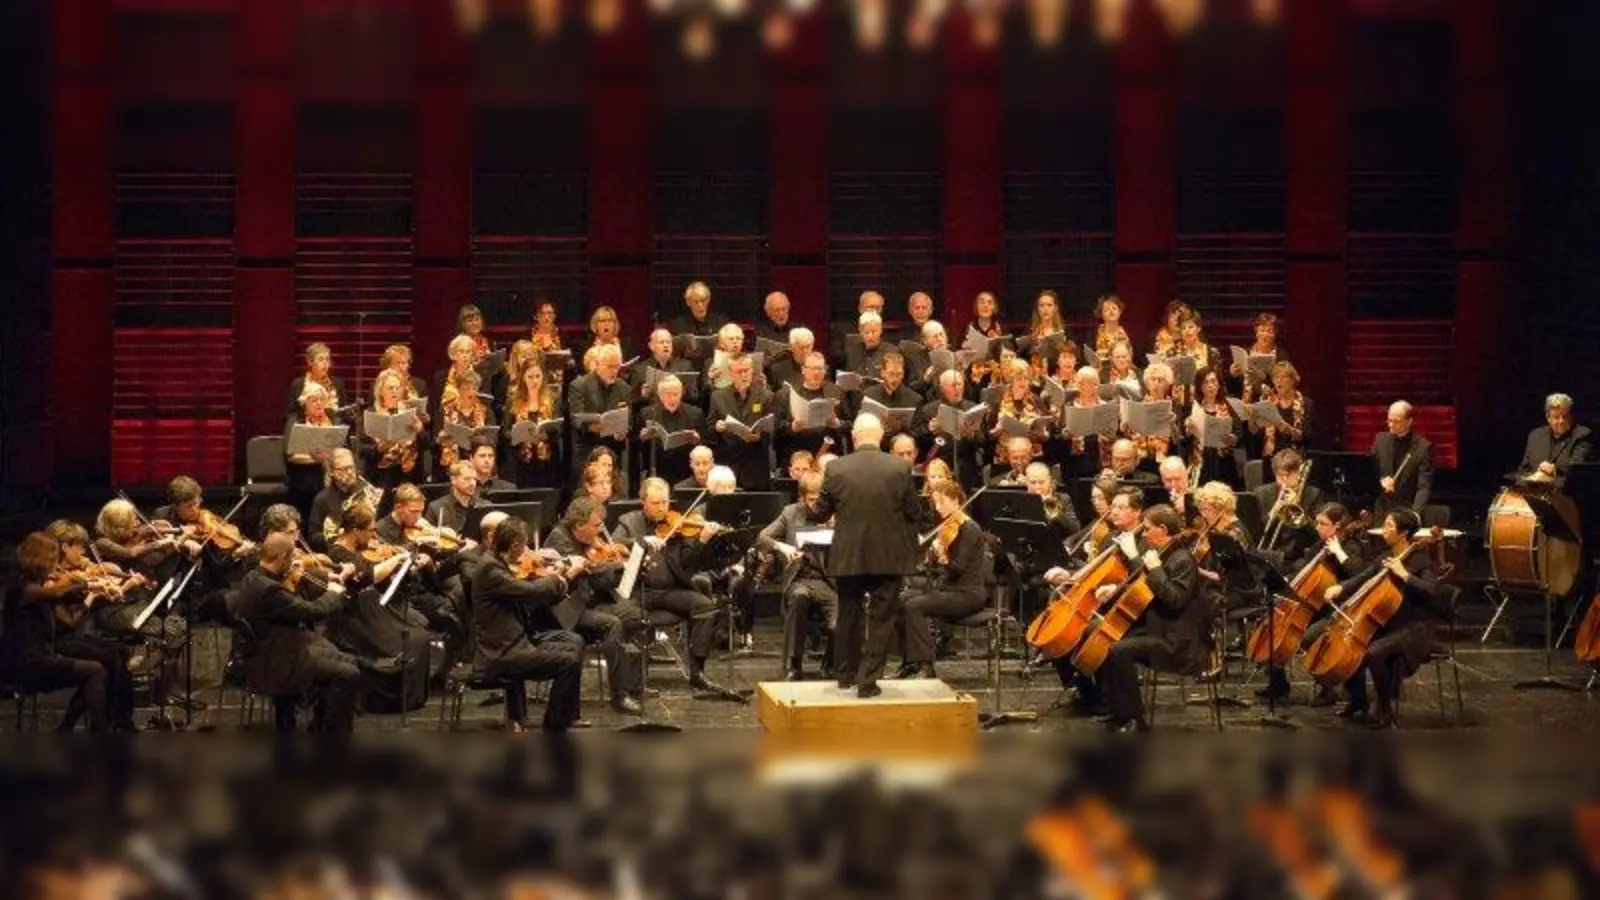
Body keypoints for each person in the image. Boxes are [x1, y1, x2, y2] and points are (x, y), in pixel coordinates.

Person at [812, 414, 922, 698]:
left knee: (848, 613)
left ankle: (845, 674)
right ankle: (868, 681)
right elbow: (913, 510)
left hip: (848, 554)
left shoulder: (836, 467)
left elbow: (821, 512)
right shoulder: (899, 467)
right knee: (881, 619)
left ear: (855, 437)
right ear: (881, 435)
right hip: (888, 555)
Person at [612, 478, 742, 700]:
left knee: (706, 607)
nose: (662, 508)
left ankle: (697, 672)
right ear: (643, 501)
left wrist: (702, 540)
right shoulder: (629, 520)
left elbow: (688, 563)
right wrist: (643, 541)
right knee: (626, 617)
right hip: (638, 590)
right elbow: (616, 544)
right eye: (655, 503)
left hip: (670, 591)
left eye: (665, 502)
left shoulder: (678, 525)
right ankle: (631, 682)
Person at [1318, 509, 1444, 730]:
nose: (1383, 529)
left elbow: (1431, 591)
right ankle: (1358, 700)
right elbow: (1363, 577)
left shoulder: (1420, 559)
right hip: (1388, 623)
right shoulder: (1385, 556)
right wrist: (1340, 587)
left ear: (1403, 533)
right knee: (1352, 648)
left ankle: (1384, 708)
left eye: (1388, 525)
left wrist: (1404, 574)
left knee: (1373, 652)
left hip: (1414, 627)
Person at [0, 532, 134, 731]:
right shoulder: (23, 590)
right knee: (95, 670)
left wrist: (101, 590)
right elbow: (59, 593)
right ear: (40, 560)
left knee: (97, 671)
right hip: (25, 664)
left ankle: (71, 730)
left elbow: (66, 598)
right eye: (52, 560)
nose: (54, 566)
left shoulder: (35, 588)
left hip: (42, 656)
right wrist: (89, 584)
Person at [1097, 504, 1212, 733]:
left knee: (1120, 650)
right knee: (1103, 635)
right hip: (1157, 627)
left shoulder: (1182, 559)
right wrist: (1116, 588)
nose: (1144, 533)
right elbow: (1143, 583)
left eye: (1148, 529)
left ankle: (1134, 718)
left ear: (1162, 529)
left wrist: (1156, 570)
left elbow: (1175, 599)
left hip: (1177, 640)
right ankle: (1116, 710)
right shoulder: (1162, 553)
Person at [233, 532, 359, 732]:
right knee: (347, 674)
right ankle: (333, 744)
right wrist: (333, 594)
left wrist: (293, 579)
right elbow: (312, 612)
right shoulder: (268, 589)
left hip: (278, 647)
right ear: (282, 558)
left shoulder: (253, 577)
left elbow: (288, 608)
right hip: (277, 661)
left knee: (350, 662)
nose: (295, 562)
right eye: (292, 558)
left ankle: (319, 727)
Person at [468, 519, 585, 732]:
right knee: (568, 663)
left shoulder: (498, 563)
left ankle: (564, 715)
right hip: (502, 652)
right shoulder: (490, 570)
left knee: (574, 643)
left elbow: (526, 591)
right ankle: (554, 728)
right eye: (525, 545)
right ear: (514, 546)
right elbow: (528, 591)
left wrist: (550, 574)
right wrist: (557, 577)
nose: (528, 550)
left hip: (517, 638)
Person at [543, 497, 647, 715]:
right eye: (597, 525)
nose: (601, 530)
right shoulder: (559, 539)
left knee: (636, 615)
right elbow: (587, 574)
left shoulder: (587, 541)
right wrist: (618, 566)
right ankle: (620, 696)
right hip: (565, 610)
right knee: (612, 625)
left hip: (585, 602)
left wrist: (629, 568)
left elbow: (599, 581)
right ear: (579, 526)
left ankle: (632, 684)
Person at [1259, 502, 1369, 704]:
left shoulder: (1351, 546)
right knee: (1275, 628)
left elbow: (1359, 573)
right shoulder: (1320, 546)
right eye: (1317, 522)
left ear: (1337, 526)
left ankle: (1328, 687)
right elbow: (1304, 572)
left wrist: (1339, 552)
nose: (1317, 527)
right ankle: (1278, 684)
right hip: (1315, 607)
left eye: (1322, 523)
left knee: (1309, 637)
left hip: (1340, 609)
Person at [898, 481, 988, 680]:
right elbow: (936, 569)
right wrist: (929, 555)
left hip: (967, 594)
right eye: (935, 503)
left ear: (956, 501)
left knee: (914, 606)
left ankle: (926, 665)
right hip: (949, 589)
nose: (938, 508)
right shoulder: (947, 526)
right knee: (900, 600)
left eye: (942, 502)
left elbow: (957, 568)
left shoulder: (969, 529)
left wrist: (942, 556)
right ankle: (910, 662)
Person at [757, 471, 839, 681]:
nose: (816, 505)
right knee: (799, 597)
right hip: (799, 578)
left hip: (828, 581)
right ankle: (794, 664)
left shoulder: (836, 513)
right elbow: (762, 537)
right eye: (811, 500)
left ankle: (830, 664)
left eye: (820, 500)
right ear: (802, 497)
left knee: (838, 622)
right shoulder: (791, 513)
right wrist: (781, 546)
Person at [1372, 400, 1434, 518]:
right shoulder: (1380, 440)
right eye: (1389, 420)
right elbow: (1371, 472)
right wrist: (1381, 481)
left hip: (1406, 512)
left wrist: (1415, 516)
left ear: (1409, 421)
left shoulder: (1422, 447)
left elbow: (1423, 487)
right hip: (1382, 510)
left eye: (1396, 421)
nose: (1391, 425)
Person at [1521, 392, 1594, 478]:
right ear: (1548, 418)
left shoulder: (1583, 435)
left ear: (1571, 416)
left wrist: (1555, 469)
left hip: (1566, 489)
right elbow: (1524, 468)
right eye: (1556, 417)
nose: (1561, 421)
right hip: (1535, 489)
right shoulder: (1535, 435)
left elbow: (1577, 469)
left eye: (1565, 416)